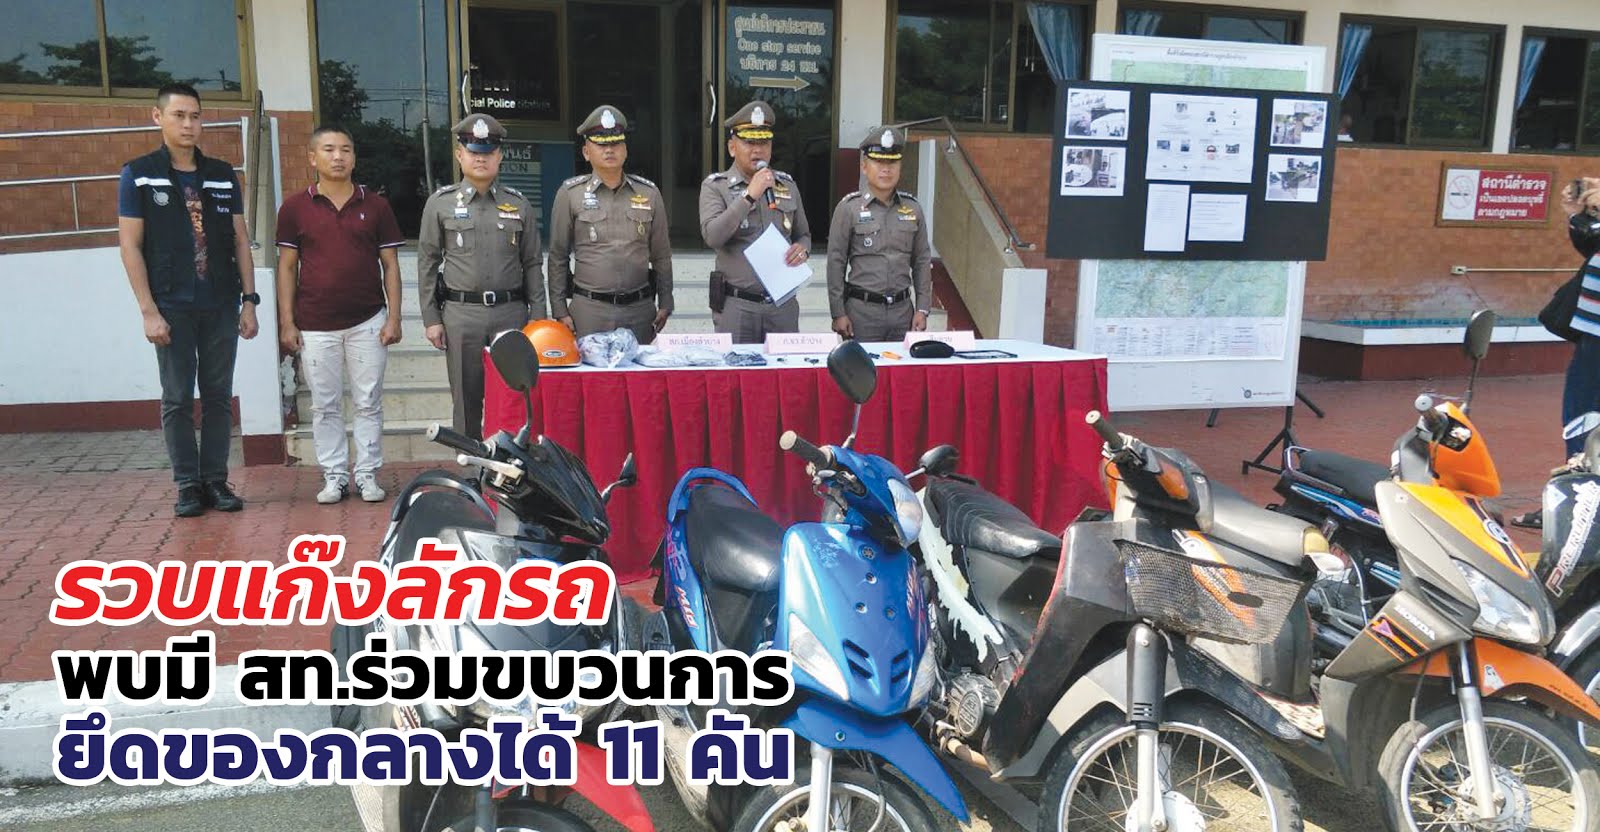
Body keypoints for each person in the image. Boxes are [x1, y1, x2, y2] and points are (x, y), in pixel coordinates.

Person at [118, 83, 259, 518]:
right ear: (157, 117)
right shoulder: (139, 174)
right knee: (177, 397)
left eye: (195, 116)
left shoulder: (221, 174)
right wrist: (148, 311)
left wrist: (249, 301)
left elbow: (240, 239)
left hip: (220, 301)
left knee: (218, 395)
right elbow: (130, 246)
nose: (188, 124)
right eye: (178, 115)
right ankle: (187, 484)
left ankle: (215, 479)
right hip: (171, 305)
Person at [275, 125, 405, 504]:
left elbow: (391, 265)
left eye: (346, 149)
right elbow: (287, 267)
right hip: (315, 324)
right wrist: (287, 322)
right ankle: (334, 476)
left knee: (368, 402)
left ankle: (366, 474)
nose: (338, 157)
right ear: (312, 158)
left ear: (354, 157)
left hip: (368, 321)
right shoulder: (294, 208)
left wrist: (394, 317)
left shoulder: (376, 206)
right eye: (329, 149)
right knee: (324, 405)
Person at [418, 114, 547, 440]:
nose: (481, 158)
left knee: (515, 398)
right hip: (462, 316)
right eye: (473, 151)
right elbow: (428, 262)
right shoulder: (440, 204)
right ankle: (470, 465)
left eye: (488, 152)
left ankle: (513, 463)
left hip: (511, 313)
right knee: (466, 401)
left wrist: (539, 318)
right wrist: (432, 318)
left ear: (499, 156)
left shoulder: (519, 204)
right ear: (459, 154)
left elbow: (533, 263)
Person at [548, 105, 673, 344]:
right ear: (586, 152)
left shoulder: (649, 193)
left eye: (615, 143)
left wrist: (666, 301)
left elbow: (661, 255)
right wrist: (559, 308)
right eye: (601, 144)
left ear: (625, 150)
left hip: (639, 310)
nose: (609, 150)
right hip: (589, 311)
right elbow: (558, 256)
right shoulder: (570, 194)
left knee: (638, 370)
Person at [1516, 178, 1600, 530]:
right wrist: (1579, 215)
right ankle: (1575, 504)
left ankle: (1577, 513)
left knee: (1584, 420)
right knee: (1582, 420)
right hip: (1593, 335)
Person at [698, 100, 811, 343]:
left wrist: (802, 250)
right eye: (749, 142)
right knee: (736, 369)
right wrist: (749, 196)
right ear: (732, 147)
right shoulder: (715, 187)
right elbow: (713, 236)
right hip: (738, 306)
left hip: (782, 305)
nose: (757, 150)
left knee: (785, 368)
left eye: (764, 142)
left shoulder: (786, 185)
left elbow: (803, 235)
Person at [825, 126, 932, 343]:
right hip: (862, 313)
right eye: (879, 162)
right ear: (864, 166)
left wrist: (922, 308)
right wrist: (838, 312)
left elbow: (921, 261)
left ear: (900, 167)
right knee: (862, 366)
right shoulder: (848, 208)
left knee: (902, 366)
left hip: (903, 313)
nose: (886, 169)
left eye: (892, 163)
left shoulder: (913, 209)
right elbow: (836, 263)